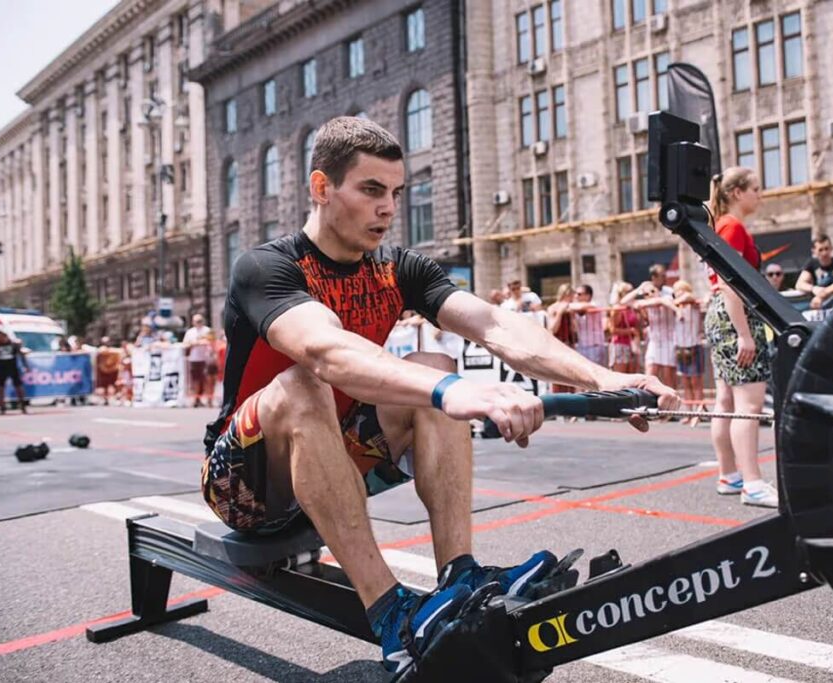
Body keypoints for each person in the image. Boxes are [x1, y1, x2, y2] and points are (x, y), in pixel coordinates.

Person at [200, 116, 680, 674]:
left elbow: (496, 325)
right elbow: (326, 352)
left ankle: (460, 574)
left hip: (336, 455)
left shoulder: (398, 269)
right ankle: (391, 615)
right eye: (371, 190)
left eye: (396, 193)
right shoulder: (267, 267)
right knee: (311, 384)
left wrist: (604, 380)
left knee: (433, 362)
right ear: (322, 188)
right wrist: (452, 392)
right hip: (245, 486)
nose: (388, 207)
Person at [704, 167, 778, 508]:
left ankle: (730, 474)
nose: (760, 195)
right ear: (737, 193)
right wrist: (745, 334)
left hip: (723, 314)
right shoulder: (731, 226)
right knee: (748, 404)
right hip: (734, 315)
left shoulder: (722, 225)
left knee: (727, 401)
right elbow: (728, 280)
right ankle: (751, 482)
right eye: (756, 189)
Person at [672, 280, 705, 423]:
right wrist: (676, 305)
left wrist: (681, 298)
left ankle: (698, 412)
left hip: (694, 345)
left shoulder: (693, 304)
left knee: (696, 381)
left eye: (680, 290)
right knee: (685, 381)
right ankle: (690, 413)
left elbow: (689, 298)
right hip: (680, 347)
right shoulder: (673, 307)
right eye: (676, 290)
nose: (678, 293)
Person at [794, 234, 833, 310]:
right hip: (820, 307)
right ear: (814, 251)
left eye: (826, 249)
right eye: (820, 250)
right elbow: (799, 284)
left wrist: (822, 294)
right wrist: (814, 289)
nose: (824, 253)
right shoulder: (812, 264)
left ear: (831, 248)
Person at [546, 284, 578, 394]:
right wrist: (559, 313)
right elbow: (553, 329)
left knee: (572, 377)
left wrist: (572, 316)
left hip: (569, 346)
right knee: (558, 378)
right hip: (557, 347)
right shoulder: (552, 308)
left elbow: (574, 329)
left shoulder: (570, 309)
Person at [0, 331, 29, 415]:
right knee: (0, 388)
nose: (0, 339)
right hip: (2, 368)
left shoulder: (13, 344)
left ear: (5, 336)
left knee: (18, 387)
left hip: (12, 367)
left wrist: (26, 366)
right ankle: (2, 408)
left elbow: (21, 355)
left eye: (1, 337)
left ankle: (23, 406)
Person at [569, 284, 607, 367]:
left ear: (588, 296)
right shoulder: (576, 307)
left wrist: (564, 306)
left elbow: (580, 306)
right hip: (582, 346)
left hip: (594, 347)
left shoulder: (595, 304)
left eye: (579, 294)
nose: (576, 296)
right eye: (575, 293)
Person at [608, 283, 641, 374]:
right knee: (621, 377)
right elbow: (612, 330)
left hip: (632, 345)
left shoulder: (632, 308)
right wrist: (631, 331)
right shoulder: (617, 309)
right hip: (620, 345)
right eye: (629, 291)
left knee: (633, 377)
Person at [183, 314, 214, 408]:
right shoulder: (190, 332)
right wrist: (194, 343)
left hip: (206, 358)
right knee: (196, 380)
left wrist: (201, 342)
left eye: (200, 320)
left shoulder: (208, 330)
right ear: (193, 322)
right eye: (196, 321)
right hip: (194, 359)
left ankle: (209, 400)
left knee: (207, 380)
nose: (198, 323)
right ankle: (197, 399)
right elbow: (185, 344)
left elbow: (212, 341)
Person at [95, 337, 122, 406]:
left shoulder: (114, 351)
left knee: (112, 386)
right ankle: (104, 399)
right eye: (104, 342)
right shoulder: (100, 350)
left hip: (112, 371)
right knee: (103, 387)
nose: (106, 343)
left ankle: (112, 399)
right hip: (102, 371)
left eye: (107, 342)